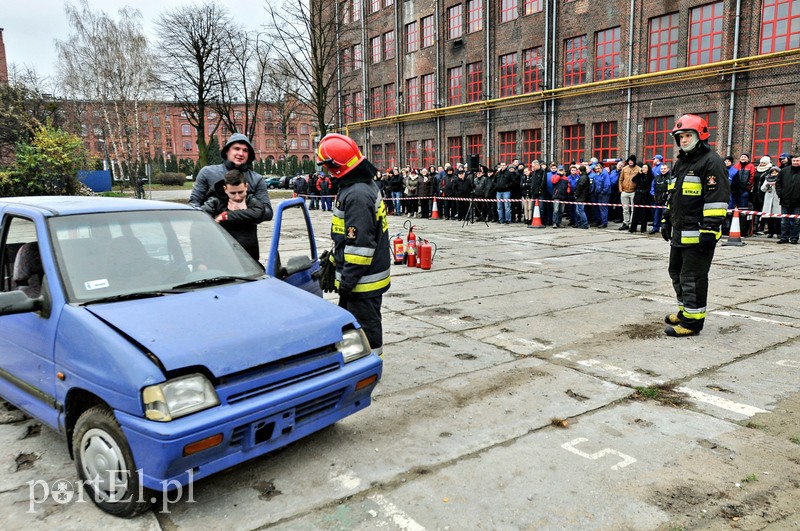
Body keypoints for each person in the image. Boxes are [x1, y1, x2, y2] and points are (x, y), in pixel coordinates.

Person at [316, 133, 391, 357]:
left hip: (362, 281)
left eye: (327, 166)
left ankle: (371, 366)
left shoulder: (357, 194)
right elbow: (346, 237)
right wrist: (333, 259)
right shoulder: (357, 186)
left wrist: (346, 281)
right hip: (361, 277)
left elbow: (360, 249)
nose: (326, 171)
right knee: (357, 327)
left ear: (336, 165)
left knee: (366, 328)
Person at [662, 114, 729, 337]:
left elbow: (716, 199)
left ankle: (693, 323)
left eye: (687, 135)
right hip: (679, 232)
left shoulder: (712, 161)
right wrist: (666, 219)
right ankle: (685, 312)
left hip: (700, 234)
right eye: (680, 136)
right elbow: (673, 195)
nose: (683, 140)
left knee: (693, 277)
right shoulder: (681, 162)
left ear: (700, 136)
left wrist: (710, 230)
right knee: (676, 273)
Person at [190, 133, 273, 222]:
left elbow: (268, 213)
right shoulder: (207, 173)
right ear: (227, 151)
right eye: (236, 149)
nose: (241, 153)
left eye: (245, 150)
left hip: (244, 234)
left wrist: (242, 211)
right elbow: (193, 205)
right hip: (212, 232)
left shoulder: (257, 179)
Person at [201, 169, 266, 261]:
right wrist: (245, 213)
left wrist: (226, 216)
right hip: (222, 256)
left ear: (246, 187)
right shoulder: (215, 201)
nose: (237, 197)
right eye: (232, 193)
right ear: (225, 189)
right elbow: (202, 218)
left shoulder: (250, 199)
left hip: (249, 257)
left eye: (240, 192)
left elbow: (259, 213)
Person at [776, 154, 800, 244]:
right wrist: (780, 194)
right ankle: (784, 237)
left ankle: (794, 238)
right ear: (791, 161)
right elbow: (778, 183)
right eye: (794, 161)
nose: (796, 162)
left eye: (797, 161)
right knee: (784, 221)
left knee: (796, 222)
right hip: (785, 200)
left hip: (798, 202)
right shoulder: (784, 171)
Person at [618, 154, 639, 230]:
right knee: (625, 209)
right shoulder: (624, 169)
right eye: (629, 161)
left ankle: (631, 223)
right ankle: (625, 223)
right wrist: (621, 190)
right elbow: (620, 180)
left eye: (631, 161)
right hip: (624, 191)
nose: (630, 162)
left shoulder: (638, 169)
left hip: (633, 192)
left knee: (633, 209)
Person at [630, 163, 653, 233]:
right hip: (638, 195)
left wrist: (646, 191)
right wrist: (639, 173)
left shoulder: (650, 176)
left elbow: (650, 186)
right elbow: (633, 179)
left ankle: (643, 228)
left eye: (645, 168)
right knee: (635, 212)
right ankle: (633, 228)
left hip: (645, 195)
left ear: (648, 169)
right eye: (643, 168)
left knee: (644, 213)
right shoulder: (640, 175)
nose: (643, 169)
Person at [760, 165, 782, 238]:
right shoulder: (767, 179)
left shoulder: (781, 179)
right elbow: (762, 189)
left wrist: (776, 185)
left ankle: (779, 232)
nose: (774, 174)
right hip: (768, 200)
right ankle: (770, 232)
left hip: (777, 200)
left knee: (778, 218)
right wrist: (767, 185)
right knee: (769, 218)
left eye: (776, 173)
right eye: (773, 173)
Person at [650, 163, 670, 234]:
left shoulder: (670, 178)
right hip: (657, 199)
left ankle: (665, 229)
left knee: (665, 215)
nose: (663, 170)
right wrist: (653, 194)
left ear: (668, 169)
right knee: (656, 215)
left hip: (666, 200)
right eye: (662, 169)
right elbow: (653, 187)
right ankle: (655, 228)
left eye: (664, 169)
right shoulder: (657, 177)